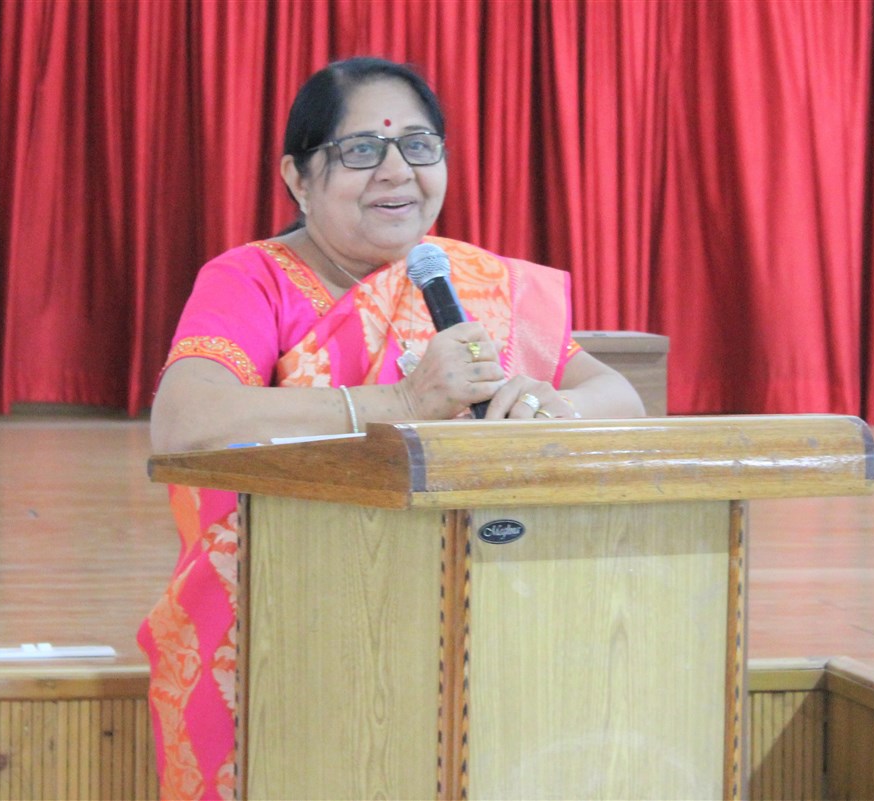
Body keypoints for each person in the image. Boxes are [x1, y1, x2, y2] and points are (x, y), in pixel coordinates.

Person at [139, 56, 645, 799]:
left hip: (456, 625)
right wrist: (402, 402)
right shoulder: (255, 279)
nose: (396, 171)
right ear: (297, 177)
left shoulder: (471, 286)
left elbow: (620, 397)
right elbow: (185, 421)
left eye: (417, 145)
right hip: (281, 629)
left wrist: (544, 407)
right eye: (360, 150)